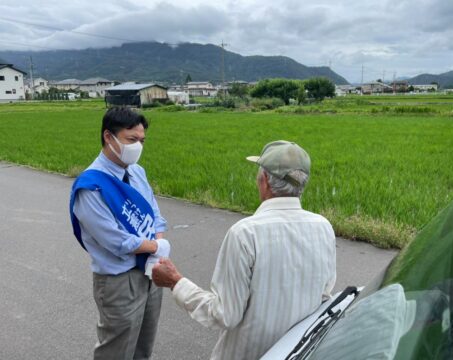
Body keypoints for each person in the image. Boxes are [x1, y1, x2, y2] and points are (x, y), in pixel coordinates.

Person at [152, 140, 336, 360]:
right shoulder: (323, 227)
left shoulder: (246, 233)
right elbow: (324, 297)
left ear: (265, 180)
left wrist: (175, 282)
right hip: (299, 352)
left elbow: (224, 315)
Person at [69, 107, 170, 360]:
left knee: (143, 347)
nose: (138, 146)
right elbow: (116, 241)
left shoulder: (137, 172)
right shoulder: (91, 187)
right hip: (119, 281)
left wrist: (158, 243)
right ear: (108, 137)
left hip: (150, 271)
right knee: (116, 351)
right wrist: (157, 247)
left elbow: (155, 214)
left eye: (142, 141)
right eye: (131, 140)